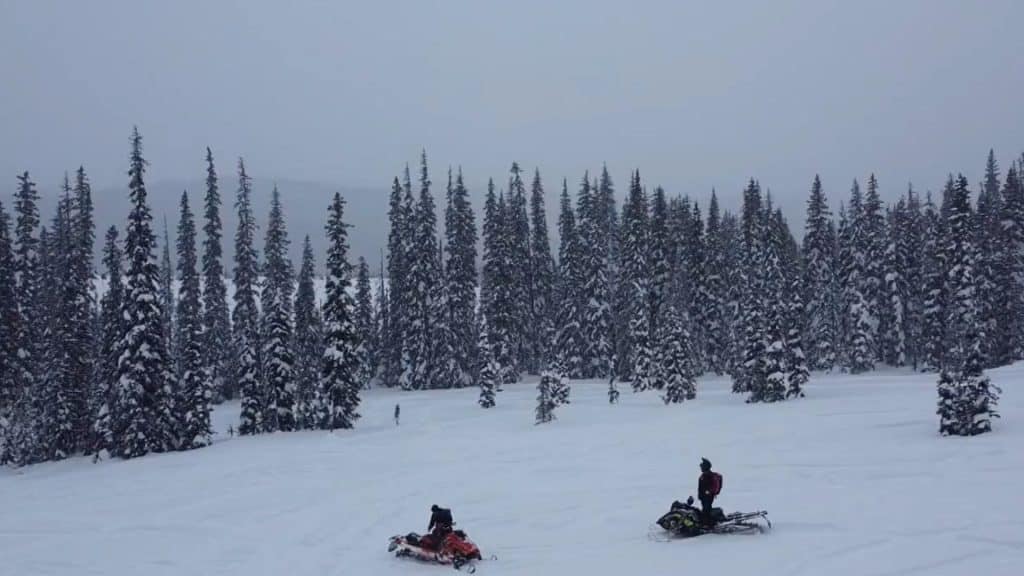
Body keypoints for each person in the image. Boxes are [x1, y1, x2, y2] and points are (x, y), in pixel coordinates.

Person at [697, 458, 722, 527]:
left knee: (706, 510)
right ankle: (706, 522)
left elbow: (715, 486)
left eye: (702, 466)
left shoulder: (710, 476)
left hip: (708, 497)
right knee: (705, 510)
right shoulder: (703, 476)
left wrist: (709, 492)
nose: (700, 468)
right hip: (703, 497)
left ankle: (709, 524)